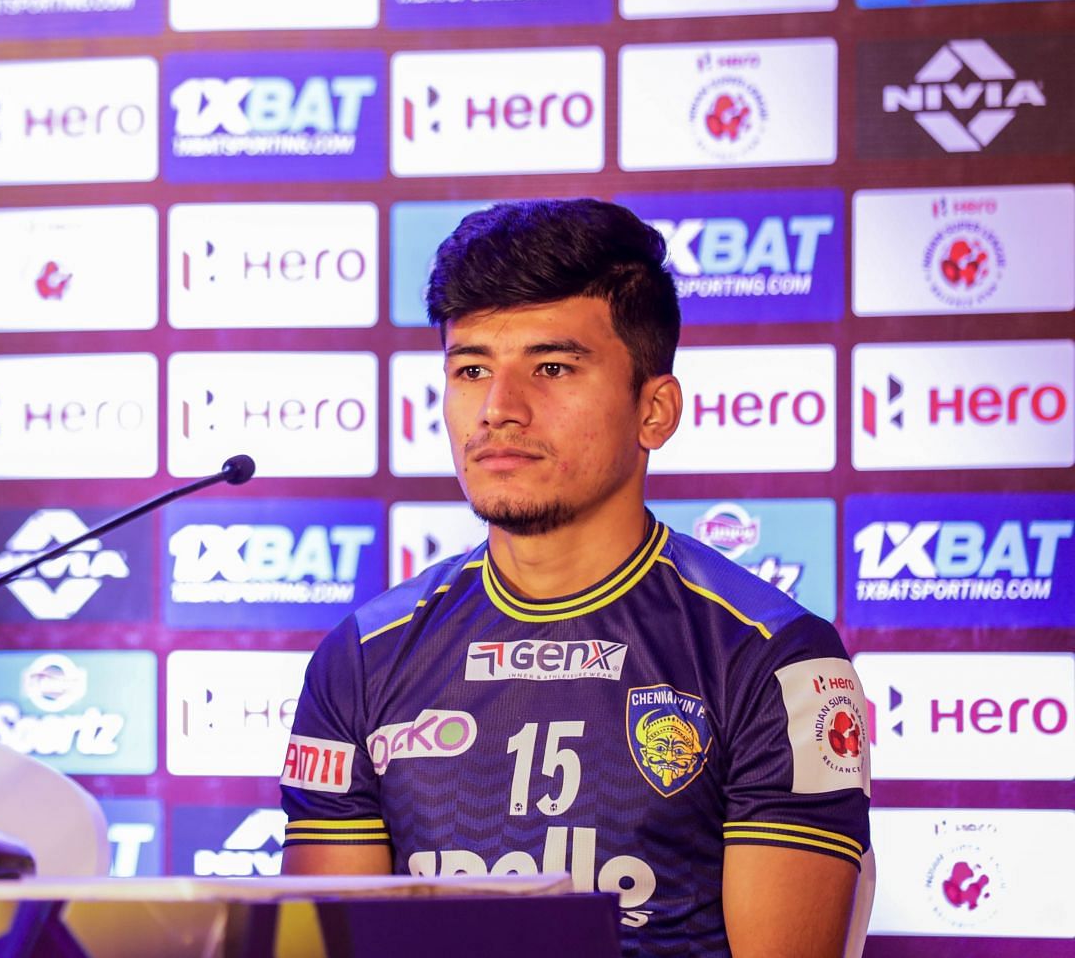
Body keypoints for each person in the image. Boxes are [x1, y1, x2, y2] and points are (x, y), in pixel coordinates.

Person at [280, 199, 870, 958]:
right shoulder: (361, 657)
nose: (499, 408)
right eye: (471, 368)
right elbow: (330, 946)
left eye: (552, 366)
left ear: (654, 410)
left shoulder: (772, 659)